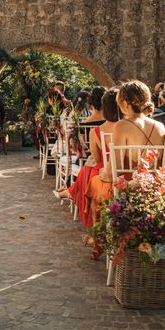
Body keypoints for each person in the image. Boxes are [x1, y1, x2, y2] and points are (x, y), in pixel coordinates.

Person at [88, 81, 165, 235]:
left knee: (94, 183)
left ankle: (99, 238)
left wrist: (102, 173)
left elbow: (112, 173)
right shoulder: (160, 126)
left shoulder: (122, 125)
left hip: (128, 187)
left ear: (124, 102)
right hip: (154, 187)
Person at [67, 88, 120, 229]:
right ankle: (70, 191)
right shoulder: (129, 127)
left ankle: (94, 223)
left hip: (103, 168)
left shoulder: (92, 128)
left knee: (88, 171)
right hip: (127, 169)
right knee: (88, 170)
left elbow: (96, 158)